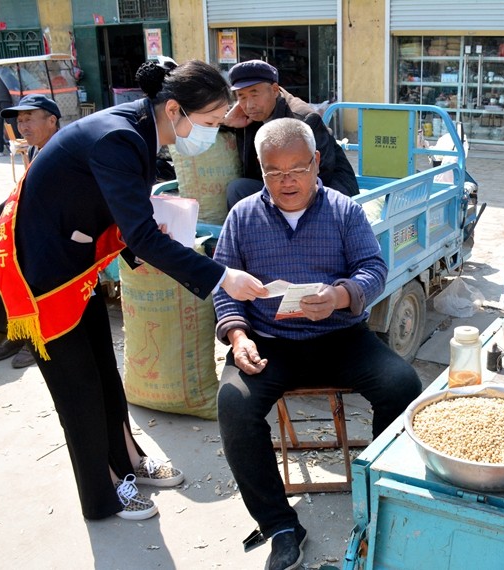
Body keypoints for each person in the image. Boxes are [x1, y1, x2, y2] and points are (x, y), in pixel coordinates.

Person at [0, 59, 266, 522]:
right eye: (212, 122)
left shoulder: (143, 130)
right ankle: (103, 494)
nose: (214, 131)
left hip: (75, 258)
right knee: (76, 387)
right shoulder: (120, 138)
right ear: (175, 109)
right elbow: (139, 234)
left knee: (101, 364)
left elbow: (127, 213)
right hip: (40, 270)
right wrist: (220, 276)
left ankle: (129, 460)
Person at [213, 118, 421, 570]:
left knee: (403, 385)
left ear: (316, 163)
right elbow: (223, 285)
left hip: (339, 337)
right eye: (273, 171)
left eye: (297, 169)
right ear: (261, 170)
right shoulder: (243, 215)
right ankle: (281, 525)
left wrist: (340, 296)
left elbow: (373, 268)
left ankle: (381, 493)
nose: (286, 181)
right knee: (233, 404)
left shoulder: (344, 211)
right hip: (270, 342)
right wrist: (238, 334)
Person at [222, 59, 358, 209]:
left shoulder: (303, 119)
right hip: (282, 186)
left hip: (324, 188)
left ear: (274, 90)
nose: (249, 105)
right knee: (238, 188)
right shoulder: (247, 117)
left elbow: (322, 172)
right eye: (242, 97)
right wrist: (226, 121)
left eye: (254, 94)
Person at [0, 94, 62, 368]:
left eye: (29, 119)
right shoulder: (34, 150)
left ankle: (35, 337)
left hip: (61, 235)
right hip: (38, 225)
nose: (23, 127)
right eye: (20, 121)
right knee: (2, 256)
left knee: (25, 263)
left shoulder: (63, 150)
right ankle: (17, 332)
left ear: (52, 120)